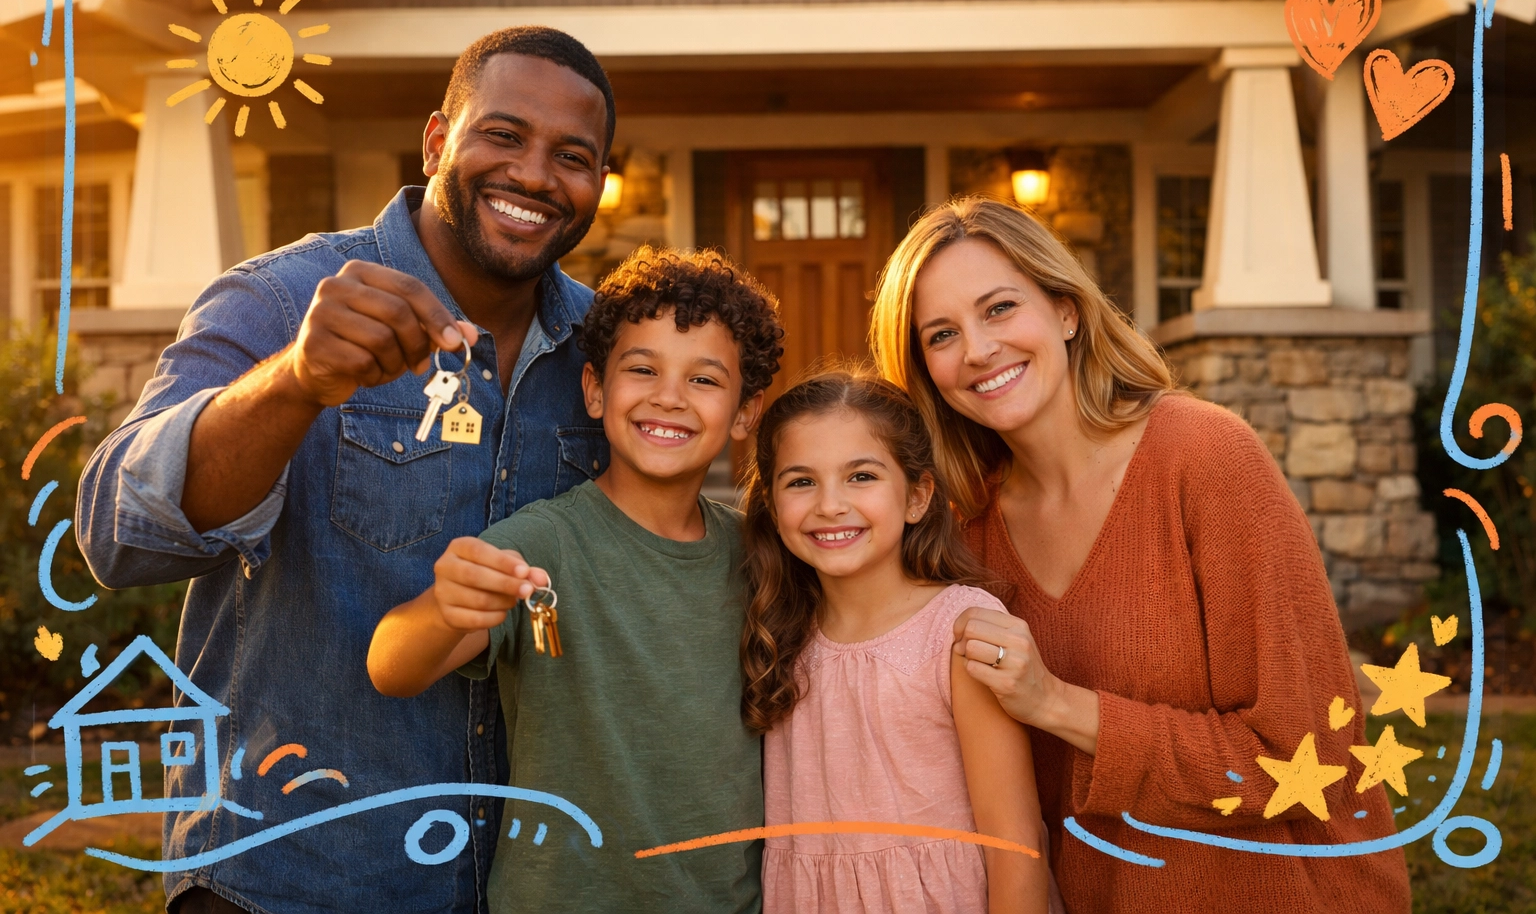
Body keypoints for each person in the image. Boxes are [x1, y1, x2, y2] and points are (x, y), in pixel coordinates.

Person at [76, 26, 618, 914]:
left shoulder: (606, 350)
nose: (533, 175)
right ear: (438, 139)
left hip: (524, 885)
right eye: (504, 135)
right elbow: (114, 532)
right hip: (291, 879)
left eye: (573, 155)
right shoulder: (283, 301)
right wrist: (295, 381)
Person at [868, 196, 1413, 913]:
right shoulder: (968, 531)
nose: (976, 349)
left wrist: (1058, 704)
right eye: (941, 334)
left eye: (999, 308)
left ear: (1066, 311)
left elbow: (1309, 761)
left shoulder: (1206, 459)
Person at [368, 247, 784, 913]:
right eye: (642, 369)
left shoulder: (759, 553)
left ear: (745, 411)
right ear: (595, 388)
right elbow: (393, 665)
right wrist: (447, 607)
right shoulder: (544, 544)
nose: (668, 397)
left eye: (704, 381)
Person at [740, 368, 1061, 914]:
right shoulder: (777, 630)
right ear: (771, 506)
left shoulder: (959, 631)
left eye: (861, 476)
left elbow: (1016, 842)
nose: (830, 505)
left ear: (917, 497)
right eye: (801, 481)